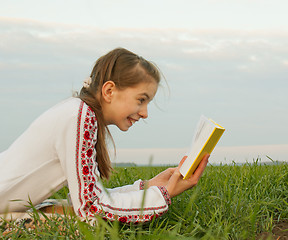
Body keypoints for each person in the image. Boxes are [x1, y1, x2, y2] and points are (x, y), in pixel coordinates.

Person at [0, 47, 209, 223]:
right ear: (109, 91)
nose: (145, 113)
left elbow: (87, 199)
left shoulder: (79, 113)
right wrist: (163, 195)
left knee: (65, 212)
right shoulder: (78, 117)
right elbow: (92, 210)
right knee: (71, 224)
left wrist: (147, 187)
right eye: (141, 100)